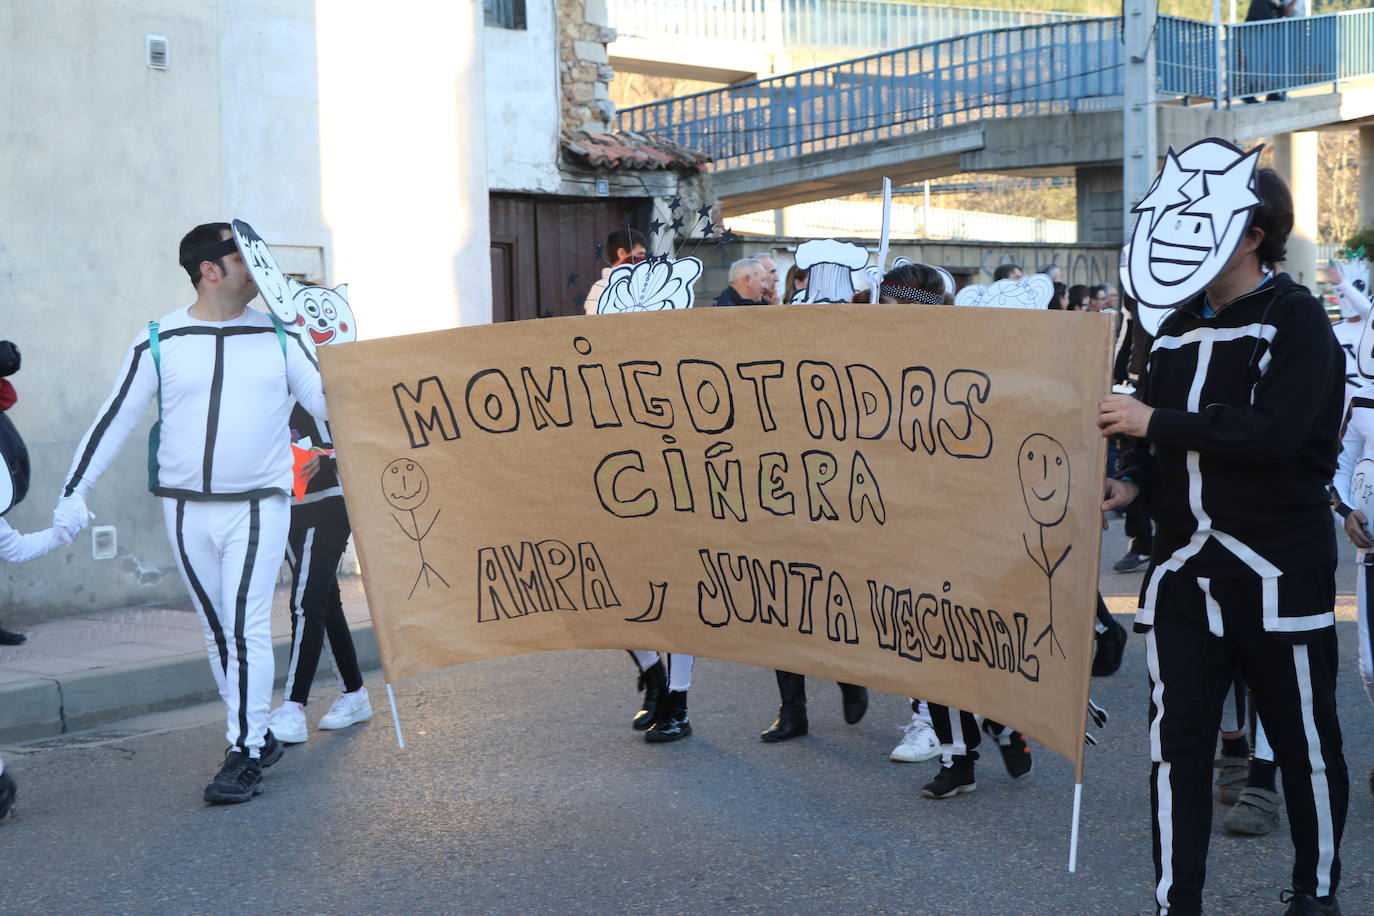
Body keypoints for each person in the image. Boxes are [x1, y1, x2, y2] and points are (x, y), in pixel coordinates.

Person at [1100, 168, 1348, 915]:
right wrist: (1134, 483)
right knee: (1175, 754)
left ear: (1252, 235)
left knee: (1304, 747)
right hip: (1183, 577)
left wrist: (1154, 425)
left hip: (1277, 570)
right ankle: (1177, 902)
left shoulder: (1297, 319)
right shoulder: (1171, 327)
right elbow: (1156, 438)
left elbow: (1277, 435)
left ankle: (1316, 894)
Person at [56, 222, 330, 805]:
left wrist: (335, 348)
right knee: (217, 631)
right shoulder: (160, 338)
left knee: (245, 625)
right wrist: (73, 492)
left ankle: (244, 750)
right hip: (184, 510)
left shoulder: (283, 336)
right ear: (211, 269)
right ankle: (253, 735)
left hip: (260, 504)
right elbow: (114, 420)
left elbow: (330, 406)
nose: (260, 269)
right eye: (245, 258)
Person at [879, 262, 1034, 794]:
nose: (883, 317)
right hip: (906, 520)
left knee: (954, 641)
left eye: (891, 307)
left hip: (962, 524)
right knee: (924, 645)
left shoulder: (969, 359)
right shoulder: (879, 360)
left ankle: (998, 723)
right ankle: (964, 756)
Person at [263, 403, 371, 744]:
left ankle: (293, 707)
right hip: (286, 509)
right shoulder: (258, 384)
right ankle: (355, 694)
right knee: (323, 600)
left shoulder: (314, 372)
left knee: (305, 602)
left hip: (328, 504)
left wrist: (324, 457)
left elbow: (360, 432)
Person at [1330, 379, 1374, 800]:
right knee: (1370, 668)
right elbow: (1339, 465)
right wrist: (1344, 510)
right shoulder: (1361, 394)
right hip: (1372, 555)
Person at [583, 229, 647, 315]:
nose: (644, 259)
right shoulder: (601, 288)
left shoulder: (643, 284)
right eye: (640, 254)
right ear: (621, 253)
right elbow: (595, 325)